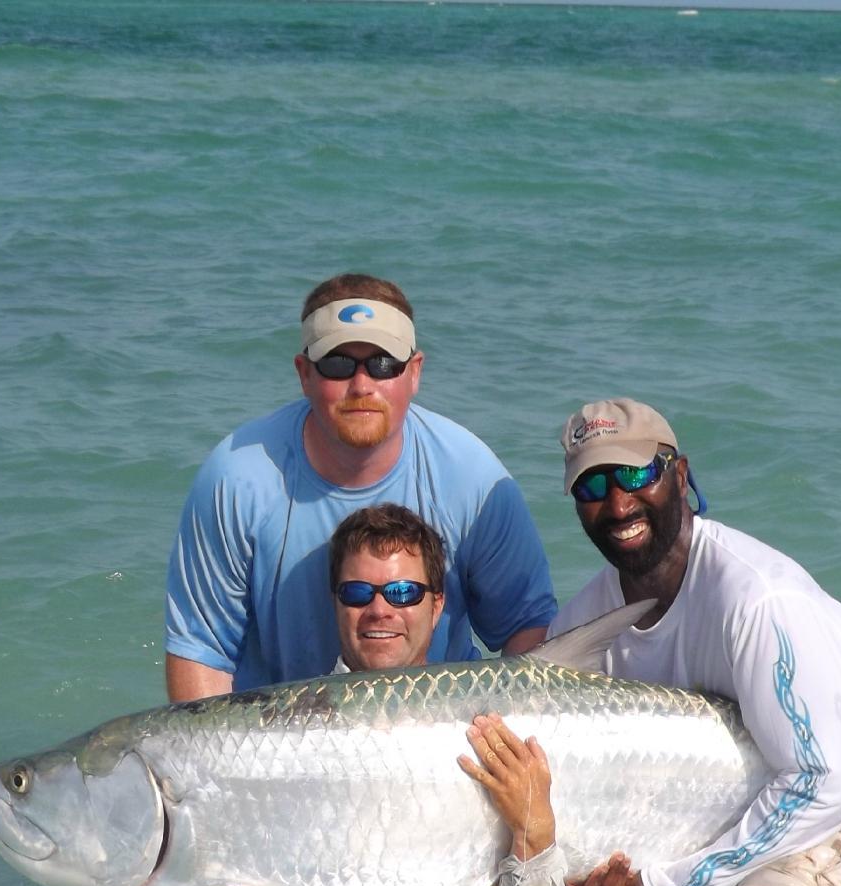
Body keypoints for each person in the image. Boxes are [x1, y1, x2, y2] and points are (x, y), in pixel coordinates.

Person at [549, 399, 841, 886]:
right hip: (754, 789)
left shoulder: (757, 600)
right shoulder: (580, 628)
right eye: (592, 488)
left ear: (681, 475)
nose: (618, 503)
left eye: (637, 474)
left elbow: (830, 782)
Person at [163, 274, 555, 701]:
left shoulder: (472, 477)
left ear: (415, 372)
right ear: (304, 374)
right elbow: (201, 651)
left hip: (443, 728)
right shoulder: (235, 479)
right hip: (278, 738)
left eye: (384, 364)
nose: (362, 385)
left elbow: (528, 632)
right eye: (338, 364)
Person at [240, 505, 566, 886]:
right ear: (335, 604)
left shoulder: (489, 737)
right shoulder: (279, 742)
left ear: (436, 606)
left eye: (402, 592)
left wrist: (533, 837)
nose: (379, 609)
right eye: (357, 593)